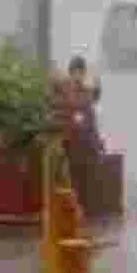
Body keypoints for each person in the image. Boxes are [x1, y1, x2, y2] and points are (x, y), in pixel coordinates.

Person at [51, 55, 104, 203]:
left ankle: (84, 201)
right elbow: (55, 96)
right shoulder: (65, 87)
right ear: (71, 72)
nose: (78, 75)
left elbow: (95, 96)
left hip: (86, 138)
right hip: (69, 138)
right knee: (67, 170)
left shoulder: (87, 90)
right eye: (75, 72)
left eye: (80, 72)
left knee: (86, 171)